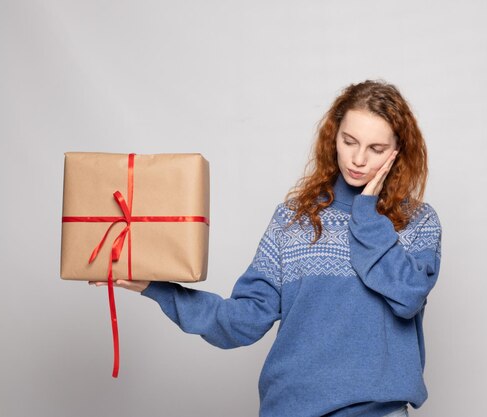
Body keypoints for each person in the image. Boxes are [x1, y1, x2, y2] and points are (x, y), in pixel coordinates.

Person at [89, 79, 443, 417]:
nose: (358, 159)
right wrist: (159, 289)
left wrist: (366, 213)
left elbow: (407, 296)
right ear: (333, 136)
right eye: (349, 141)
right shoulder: (295, 218)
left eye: (376, 149)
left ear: (398, 152)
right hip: (293, 410)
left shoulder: (418, 223)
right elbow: (243, 320)